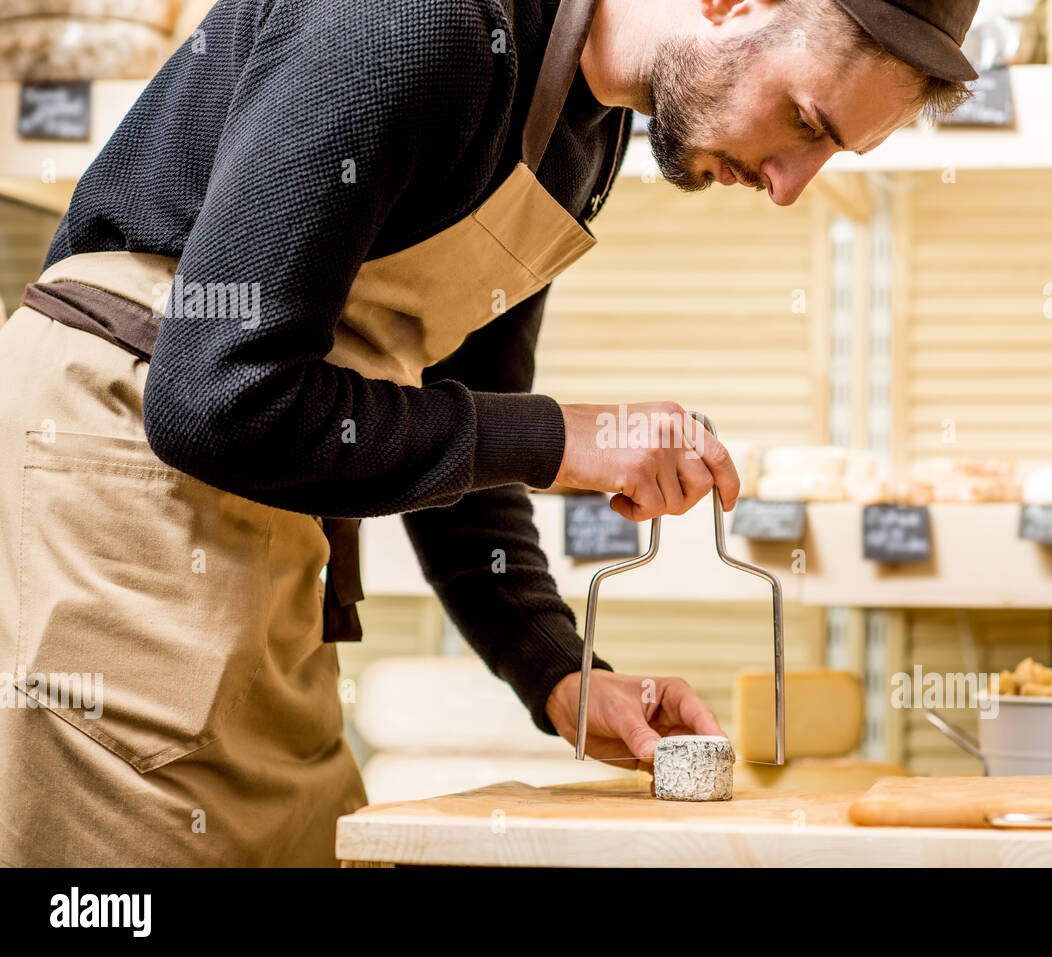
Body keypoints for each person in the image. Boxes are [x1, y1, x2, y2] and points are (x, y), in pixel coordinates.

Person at [0, 0, 977, 865]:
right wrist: (559, 440)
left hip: (251, 516)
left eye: (830, 152)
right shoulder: (410, 22)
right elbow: (214, 399)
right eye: (804, 120)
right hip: (114, 471)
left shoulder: (584, 132)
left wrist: (555, 668)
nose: (789, 183)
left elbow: (455, 414)